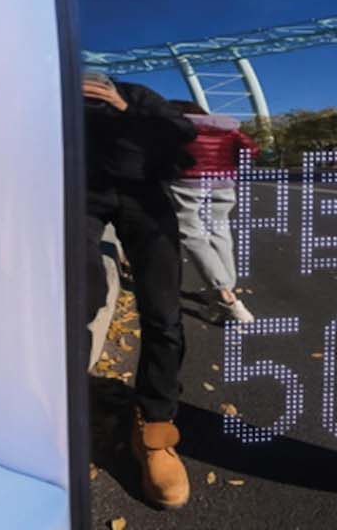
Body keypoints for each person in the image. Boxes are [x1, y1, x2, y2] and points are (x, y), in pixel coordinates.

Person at [82, 71, 196, 509]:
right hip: (79, 190)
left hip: (144, 194)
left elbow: (179, 136)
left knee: (165, 313)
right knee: (77, 292)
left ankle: (154, 429)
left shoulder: (138, 94)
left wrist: (126, 108)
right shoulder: (52, 90)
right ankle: (57, 407)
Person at [165, 101, 259, 324]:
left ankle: (225, 295)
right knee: (220, 231)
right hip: (224, 184)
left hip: (188, 183)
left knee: (190, 232)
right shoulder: (228, 128)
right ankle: (223, 286)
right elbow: (252, 150)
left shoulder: (177, 127)